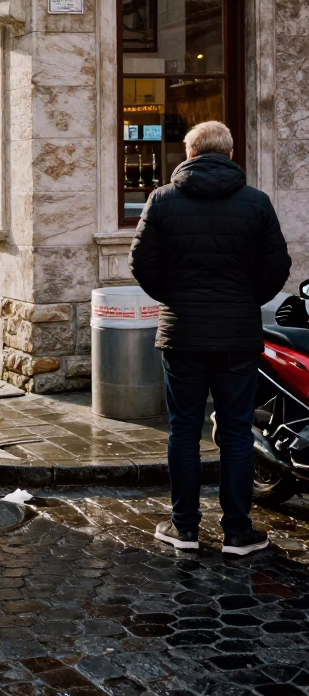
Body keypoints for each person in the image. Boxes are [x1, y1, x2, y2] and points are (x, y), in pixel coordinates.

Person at [130, 121, 291, 557]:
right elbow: (278, 266)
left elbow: (141, 263)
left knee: (183, 431)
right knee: (237, 432)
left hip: (182, 332)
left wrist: (176, 298)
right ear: (231, 153)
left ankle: (184, 528)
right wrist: (244, 300)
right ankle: (238, 532)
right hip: (237, 333)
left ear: (189, 152)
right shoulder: (256, 203)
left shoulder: (161, 200)